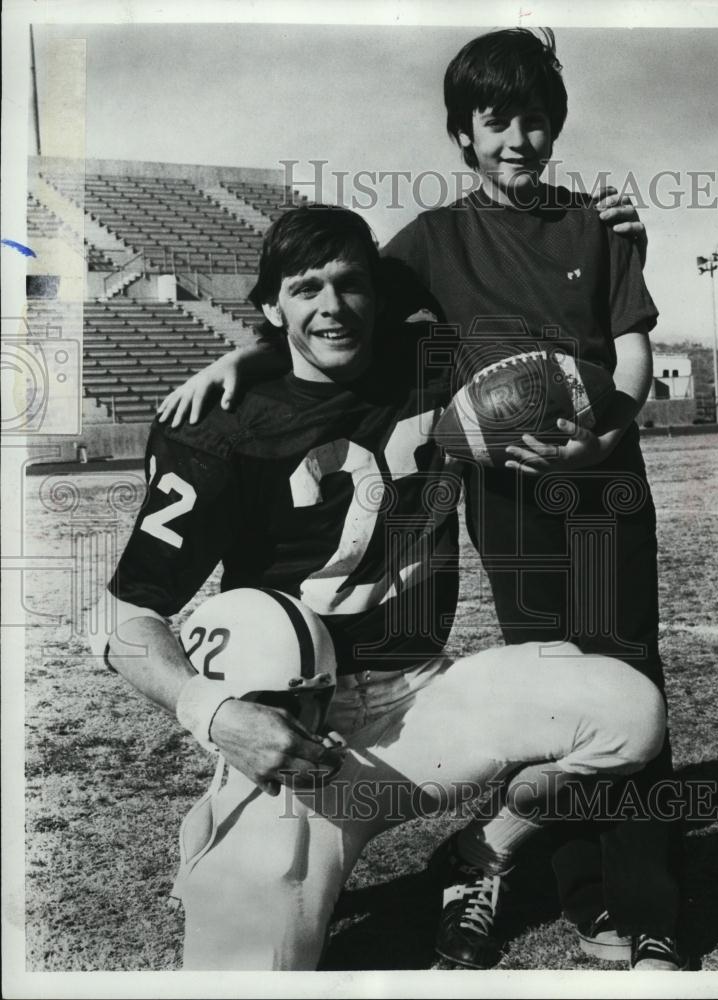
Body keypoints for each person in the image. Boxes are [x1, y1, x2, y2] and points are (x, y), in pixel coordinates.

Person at [157, 29, 684, 972]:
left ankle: (654, 907)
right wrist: (243, 351)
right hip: (508, 499)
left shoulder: (597, 223)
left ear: (555, 124)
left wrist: (612, 425)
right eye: (496, 121)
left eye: (535, 119)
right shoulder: (434, 240)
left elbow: (634, 345)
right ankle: (579, 889)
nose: (519, 138)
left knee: (634, 685)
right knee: (551, 685)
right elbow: (331, 304)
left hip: (606, 484)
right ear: (463, 135)